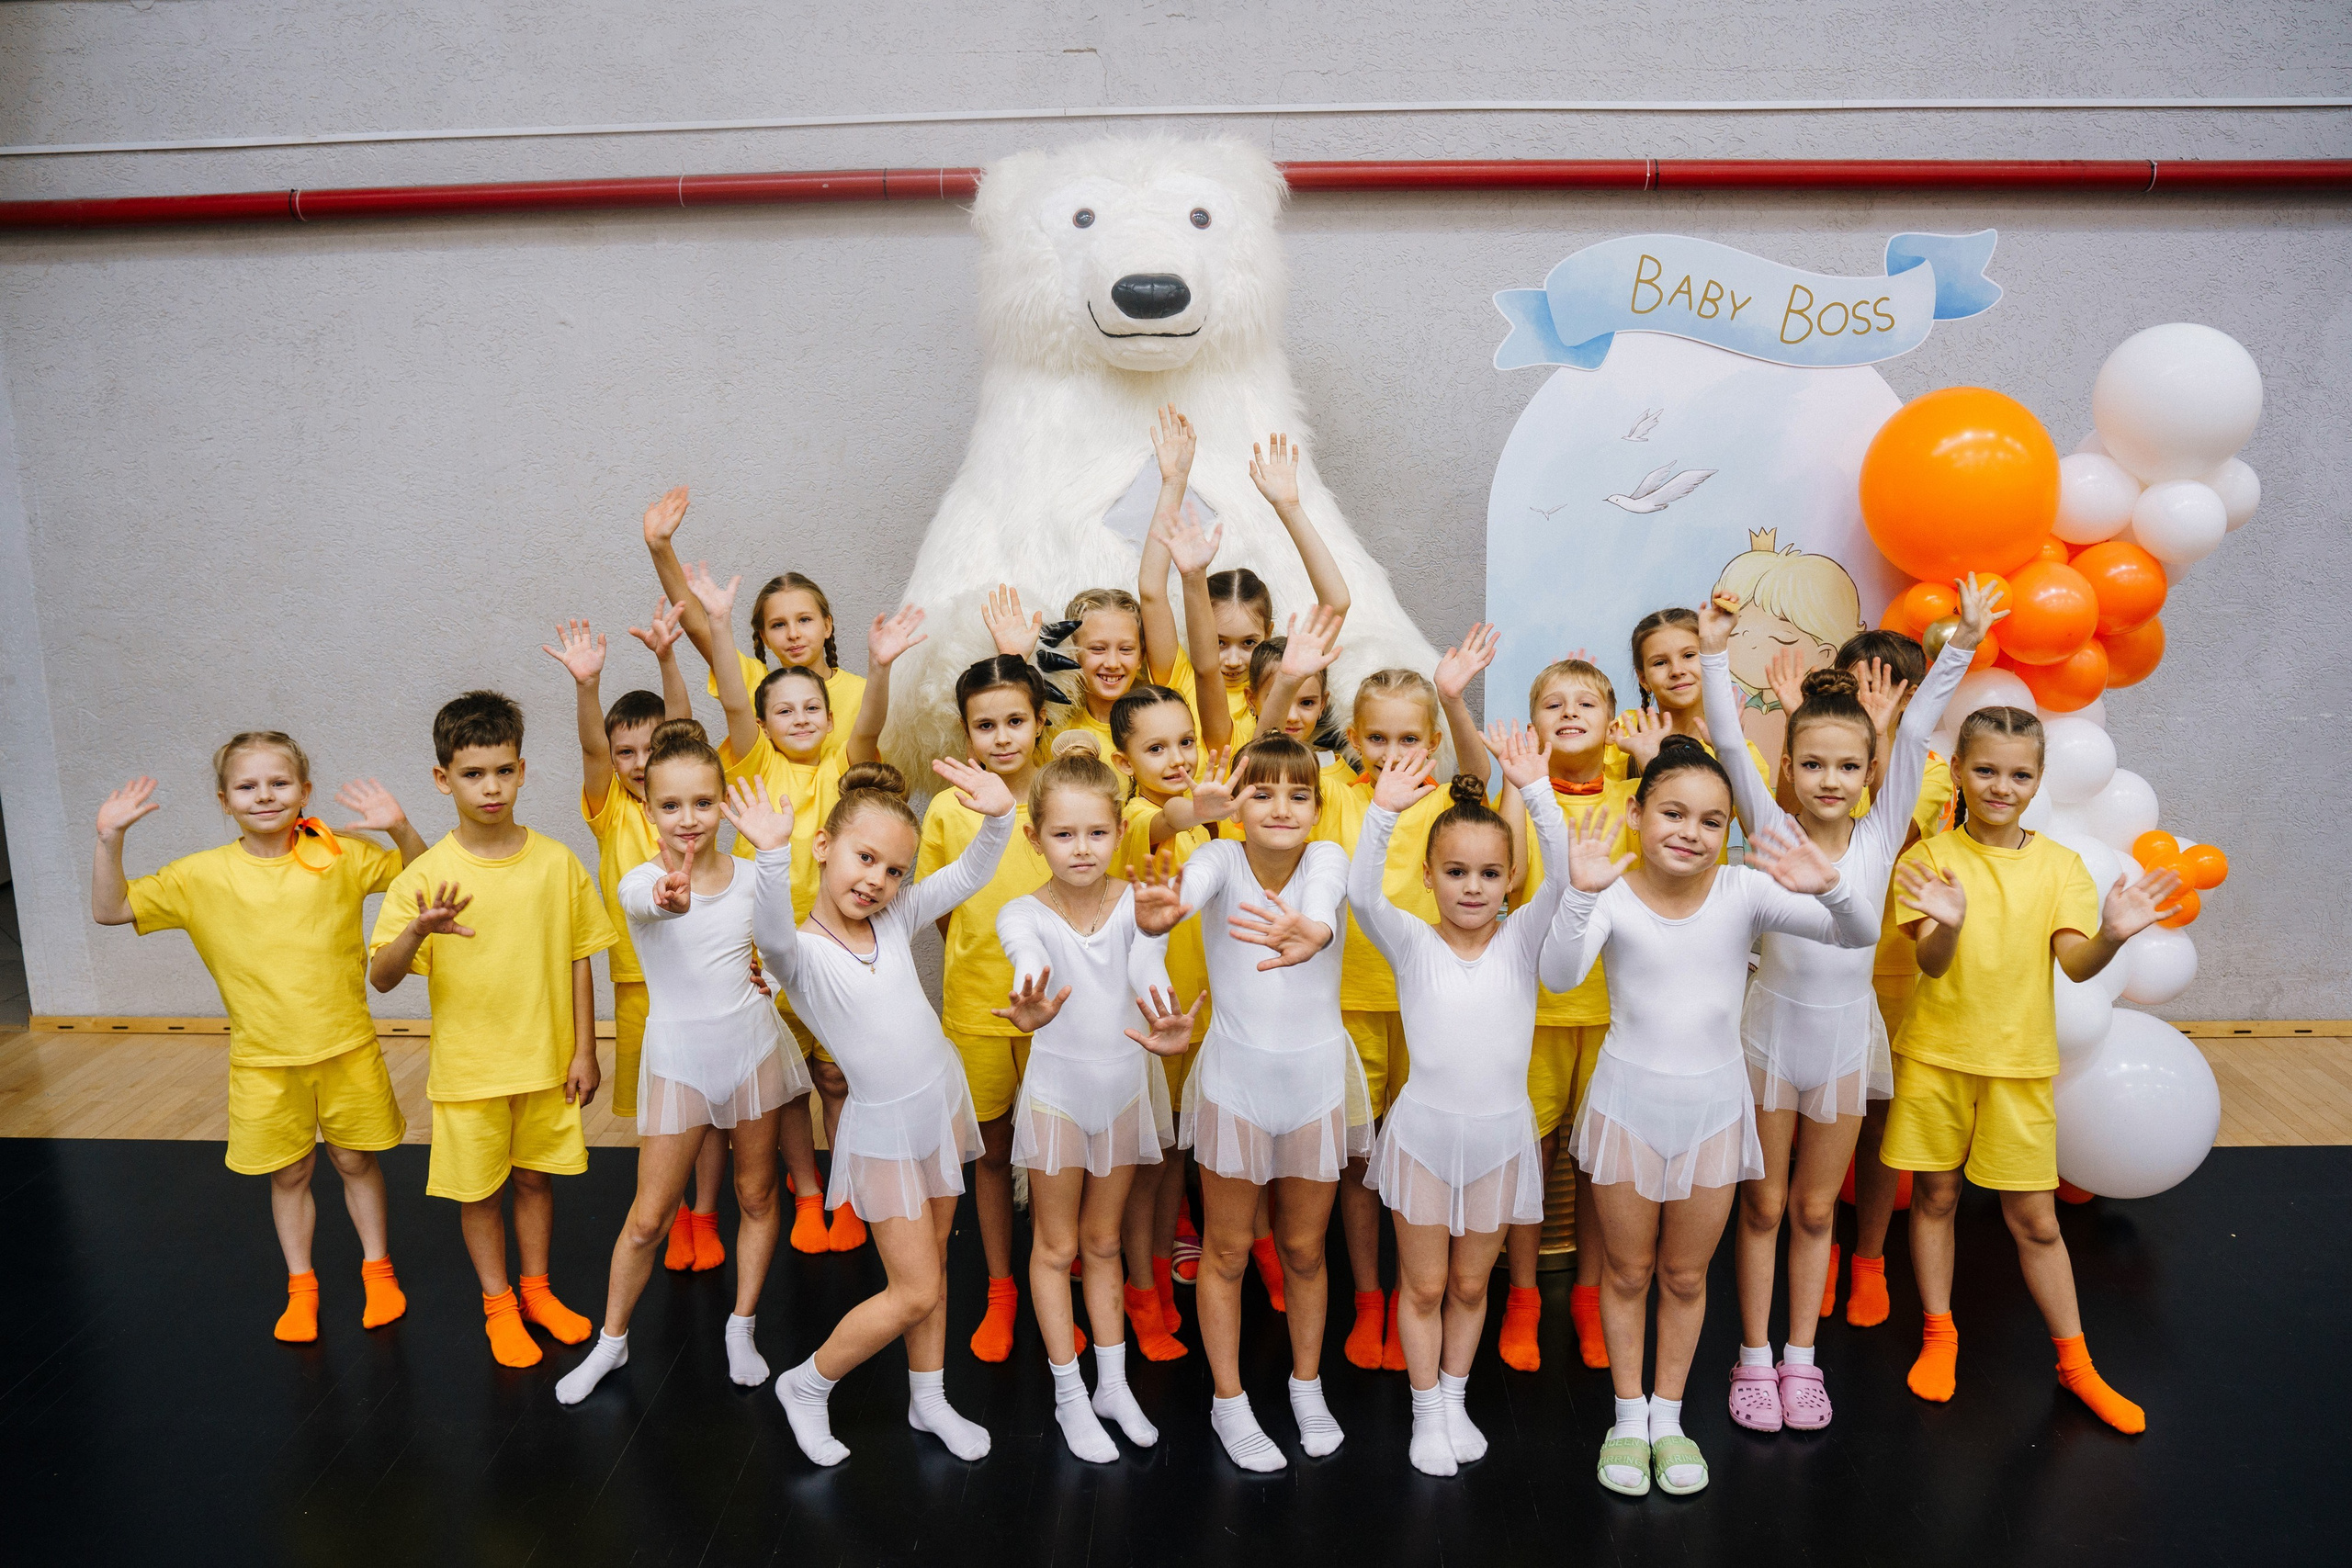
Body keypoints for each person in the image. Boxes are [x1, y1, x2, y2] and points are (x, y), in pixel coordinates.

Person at [1539, 737, 1875, 1496]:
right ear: (1636, 813)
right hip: (1628, 1105)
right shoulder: (1613, 893)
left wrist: (1831, 886)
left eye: (1711, 820)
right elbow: (1558, 976)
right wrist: (1579, 893)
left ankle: (1669, 1416)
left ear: (1729, 831)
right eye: (1673, 813)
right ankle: (1628, 1419)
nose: (1690, 831)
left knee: (1686, 1274)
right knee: (1628, 1269)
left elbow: (1856, 933)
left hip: (1715, 1112)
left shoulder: (1743, 891)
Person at [1697, 578, 1988, 1431]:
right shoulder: (1771, 827)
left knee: (1817, 1207)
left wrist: (1963, 644)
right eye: (1814, 764)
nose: (1831, 779)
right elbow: (1726, 739)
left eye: (1849, 766)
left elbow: (1919, 730)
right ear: (1788, 766)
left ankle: (1801, 1357)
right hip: (1769, 1035)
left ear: (1871, 773)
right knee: (1763, 1203)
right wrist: (1713, 651)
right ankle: (1753, 1357)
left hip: (1842, 1042)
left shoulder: (1880, 832)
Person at [1883, 705, 2182, 1435]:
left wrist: (2112, 935)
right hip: (1937, 1057)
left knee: (2037, 1221)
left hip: (2018, 1065)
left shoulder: (2060, 866)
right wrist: (1950, 924)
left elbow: (2076, 964)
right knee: (1936, 1197)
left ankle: (2077, 1365)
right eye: (1985, 769)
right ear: (1958, 770)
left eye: (2018, 774)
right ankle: (1939, 1334)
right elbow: (1930, 962)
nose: (2000, 786)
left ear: (2038, 779)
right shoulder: (1927, 859)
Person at [92, 733, 425, 1341]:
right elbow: (111, 909)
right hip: (263, 1061)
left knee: (355, 1159)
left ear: (304, 791)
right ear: (225, 800)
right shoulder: (199, 876)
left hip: (348, 1047)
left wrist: (400, 828)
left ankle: (379, 1271)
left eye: (279, 782)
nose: (265, 795)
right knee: (290, 1173)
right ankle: (302, 1287)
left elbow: (423, 876)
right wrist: (110, 838)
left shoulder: (342, 855)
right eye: (247, 786)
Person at [748, 757, 1017, 1466]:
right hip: (885, 1131)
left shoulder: (894, 919)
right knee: (916, 1287)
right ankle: (807, 1383)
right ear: (824, 846)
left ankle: (928, 1398)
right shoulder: (801, 954)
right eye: (865, 858)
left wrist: (1000, 816)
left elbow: (967, 875)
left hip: (937, 1103)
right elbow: (770, 935)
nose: (877, 880)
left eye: (894, 870)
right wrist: (769, 855)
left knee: (933, 1264)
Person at [555, 720, 816, 1404]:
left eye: (703, 801)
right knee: (648, 1218)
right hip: (680, 1064)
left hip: (752, 1050)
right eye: (670, 805)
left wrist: (773, 977)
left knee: (757, 1196)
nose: (688, 818)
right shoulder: (644, 881)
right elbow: (650, 904)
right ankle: (611, 1341)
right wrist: (668, 898)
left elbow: (783, 946)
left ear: (723, 802)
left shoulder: (753, 874)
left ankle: (742, 1324)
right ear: (648, 810)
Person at [368, 691, 616, 1368]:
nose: (491, 787)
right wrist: (417, 931)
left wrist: (586, 1049)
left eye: (504, 770)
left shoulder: (557, 862)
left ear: (523, 771)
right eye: (473, 774)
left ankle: (537, 1292)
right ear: (442, 778)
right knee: (480, 1192)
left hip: (546, 1064)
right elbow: (382, 977)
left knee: (536, 1181)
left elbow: (579, 957)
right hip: (470, 1071)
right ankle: (499, 1304)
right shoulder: (424, 876)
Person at [1140, 734, 1363, 1472]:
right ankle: (1229, 1399)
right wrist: (1164, 911)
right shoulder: (1218, 859)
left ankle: (1307, 1384)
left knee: (1304, 1248)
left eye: (1298, 793)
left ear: (1317, 807)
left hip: (1314, 1083)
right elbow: (1186, 891)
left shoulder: (1326, 857)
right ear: (1236, 806)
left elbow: (1324, 901)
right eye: (1261, 792)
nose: (1281, 807)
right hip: (1235, 1083)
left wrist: (1315, 930)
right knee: (1228, 1249)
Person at [1349, 724, 1566, 1475]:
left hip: (1500, 1139)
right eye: (1455, 872)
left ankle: (1454, 1396)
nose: (1472, 886)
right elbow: (1360, 892)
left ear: (1509, 879)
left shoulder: (1522, 940)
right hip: (1425, 1138)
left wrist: (1534, 792)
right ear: (1431, 876)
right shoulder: (1411, 942)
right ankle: (1424, 1411)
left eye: (1488, 873)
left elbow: (1565, 883)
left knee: (1472, 1283)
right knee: (1425, 1283)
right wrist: (1382, 812)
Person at [692, 563, 910, 1252]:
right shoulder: (753, 762)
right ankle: (809, 1191)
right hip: (765, 955)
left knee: (835, 1076)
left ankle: (846, 1192)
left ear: (828, 715)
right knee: (785, 1084)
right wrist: (719, 625)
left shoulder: (845, 767)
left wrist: (880, 667)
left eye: (811, 709)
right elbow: (734, 703)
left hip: (834, 950)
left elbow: (869, 724)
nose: (800, 719)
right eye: (783, 711)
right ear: (764, 723)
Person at [994, 751, 1198, 1459]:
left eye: (1096, 833)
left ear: (1119, 832)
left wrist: (1164, 1010)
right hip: (1057, 1098)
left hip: (1121, 1093)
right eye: (1063, 834)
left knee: (1105, 1241)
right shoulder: (1022, 911)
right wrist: (1030, 994)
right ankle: (1069, 1396)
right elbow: (1027, 955)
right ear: (1034, 837)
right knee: (1056, 1246)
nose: (1081, 848)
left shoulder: (1138, 904)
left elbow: (1145, 967)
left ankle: (1112, 1385)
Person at [1312, 637, 1498, 1371]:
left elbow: (1481, 776)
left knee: (1419, 1156)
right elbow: (1261, 752)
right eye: (1379, 738)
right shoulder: (1333, 793)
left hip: (1430, 1011)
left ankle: (1419, 1292)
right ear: (1354, 738)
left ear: (1432, 744)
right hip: (1350, 1004)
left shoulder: (1446, 802)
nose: (1393, 754)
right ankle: (1370, 1297)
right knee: (1361, 1159)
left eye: (1410, 739)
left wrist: (1453, 698)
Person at [543, 603, 728, 1269]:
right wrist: (587, 686)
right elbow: (593, 748)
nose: (640, 762)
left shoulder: (683, 807)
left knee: (707, 1108)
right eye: (628, 752)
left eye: (652, 751)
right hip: (639, 985)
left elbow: (684, 732)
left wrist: (668, 659)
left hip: (707, 977)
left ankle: (705, 1215)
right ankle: (670, 1214)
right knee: (663, 1113)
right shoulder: (610, 810)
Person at [1497, 656, 1638, 1372]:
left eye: (1586, 703)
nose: (1570, 712)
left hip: (1616, 1013)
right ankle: (1523, 1296)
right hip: (1537, 1012)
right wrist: (1515, 779)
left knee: (1597, 1163)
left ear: (1612, 724)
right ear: (1534, 724)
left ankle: (1589, 1295)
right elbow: (1512, 877)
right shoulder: (1523, 795)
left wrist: (1652, 760)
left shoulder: (1635, 795)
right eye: (1554, 704)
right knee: (1533, 1156)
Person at [918, 655, 1058, 1361]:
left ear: (1040, 721)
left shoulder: (1064, 798)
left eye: (1014, 721)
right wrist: (976, 963)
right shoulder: (948, 811)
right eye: (985, 725)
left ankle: (1059, 1277)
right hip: (977, 1009)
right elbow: (941, 910)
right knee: (994, 1152)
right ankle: (1002, 1288)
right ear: (965, 730)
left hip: (1059, 1012)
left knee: (1059, 1157)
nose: (1002, 737)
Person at [1104, 681, 1232, 1360]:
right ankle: (1142, 1287)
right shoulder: (1132, 815)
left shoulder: (1214, 822)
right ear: (1123, 762)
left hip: (1203, 1018)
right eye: (1156, 748)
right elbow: (1167, 821)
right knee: (1146, 1166)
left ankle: (1157, 1266)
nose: (1177, 757)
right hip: (1149, 1022)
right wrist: (1194, 810)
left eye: (1186, 741)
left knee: (1177, 1154)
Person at [641, 484, 864, 759]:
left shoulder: (862, 693)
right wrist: (659, 546)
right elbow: (699, 627)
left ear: (827, 625)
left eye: (805, 620)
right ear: (764, 636)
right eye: (778, 625)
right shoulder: (754, 683)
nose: (793, 633)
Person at [1611, 607, 1770, 791]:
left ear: (1708, 662)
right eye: (1660, 663)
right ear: (1643, 679)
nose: (1677, 671)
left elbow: (1757, 811)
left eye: (1688, 655)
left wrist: (1731, 754)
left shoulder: (1733, 748)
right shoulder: (1624, 733)